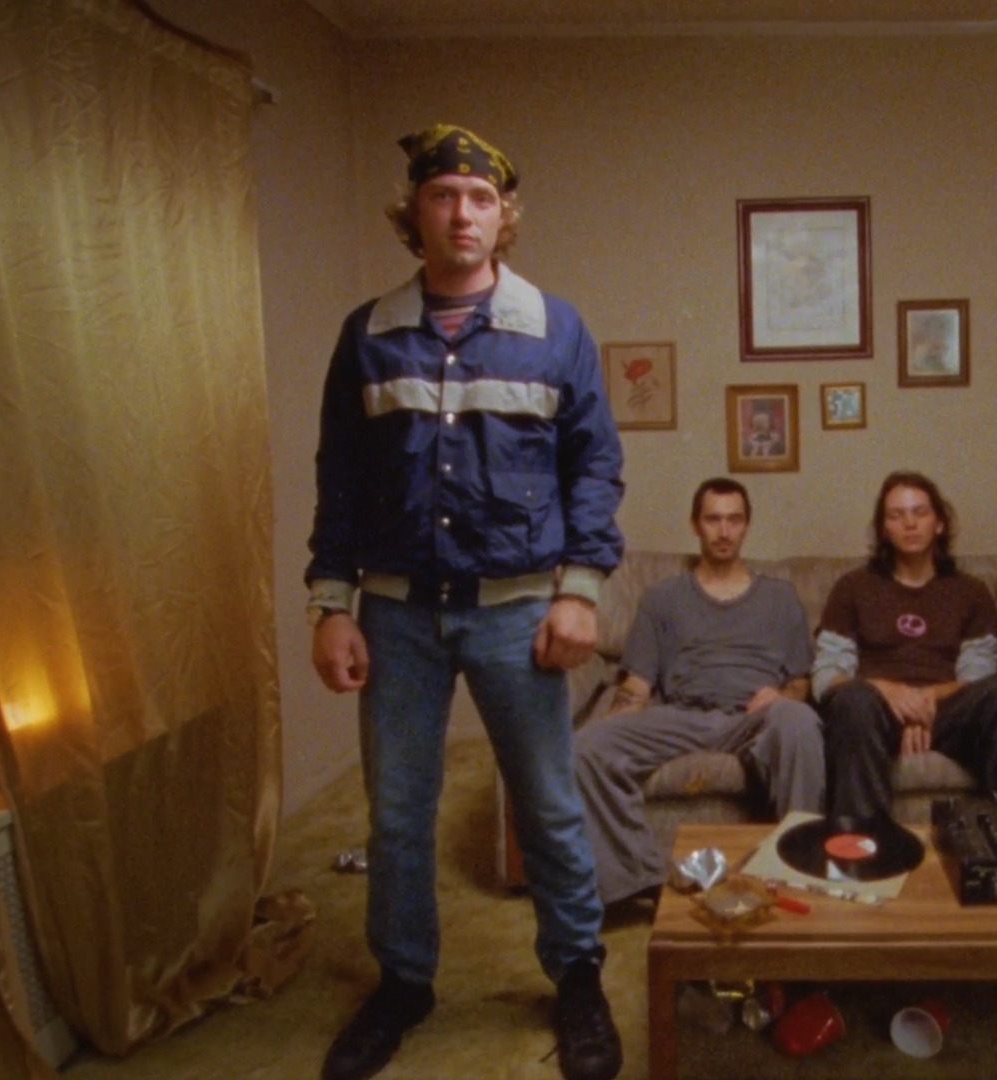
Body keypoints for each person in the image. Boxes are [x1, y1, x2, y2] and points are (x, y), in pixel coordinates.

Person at [304, 123, 623, 1080]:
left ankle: (576, 976)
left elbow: (594, 466)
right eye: (443, 196)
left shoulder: (556, 330)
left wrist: (580, 589)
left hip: (519, 611)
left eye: (480, 199)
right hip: (395, 612)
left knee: (549, 806)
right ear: (416, 216)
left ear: (504, 216)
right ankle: (403, 982)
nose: (462, 214)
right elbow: (341, 480)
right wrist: (331, 603)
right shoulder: (368, 334)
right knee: (398, 814)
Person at [574, 477, 824, 905]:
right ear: (695, 525)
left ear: (747, 526)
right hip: (681, 714)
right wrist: (614, 727)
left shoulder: (781, 598)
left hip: (754, 717)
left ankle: (796, 868)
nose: (723, 531)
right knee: (585, 747)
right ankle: (644, 883)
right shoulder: (662, 598)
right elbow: (635, 687)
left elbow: (801, 684)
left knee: (798, 720)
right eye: (713, 519)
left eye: (734, 520)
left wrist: (783, 698)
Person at [814, 471, 997, 819]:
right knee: (853, 701)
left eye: (920, 512)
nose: (909, 523)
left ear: (939, 523)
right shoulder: (852, 587)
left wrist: (923, 703)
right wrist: (889, 692)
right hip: (875, 714)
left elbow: (977, 679)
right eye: (896, 515)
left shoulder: (971, 591)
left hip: (951, 711)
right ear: (883, 530)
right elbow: (826, 679)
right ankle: (863, 850)